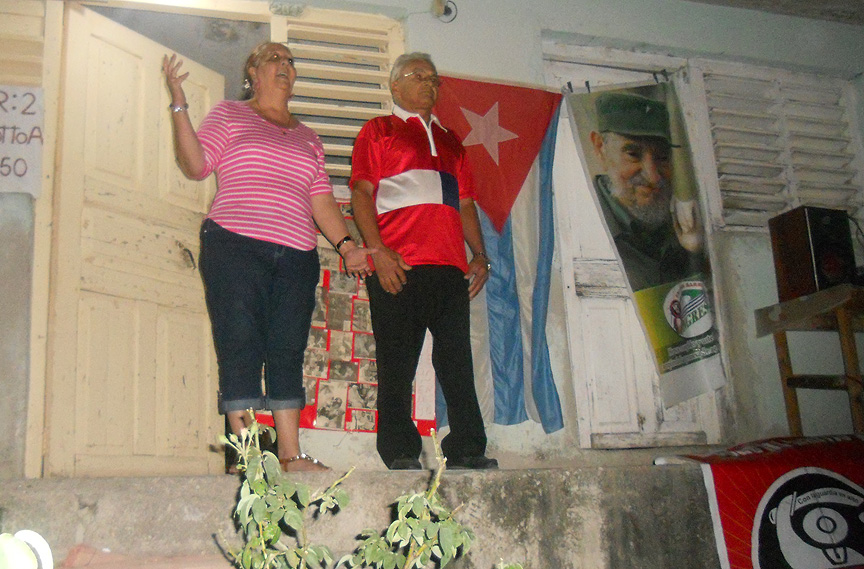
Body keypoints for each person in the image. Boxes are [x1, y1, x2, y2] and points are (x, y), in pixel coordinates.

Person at [162, 42, 372, 472]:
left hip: (296, 255)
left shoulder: (308, 137)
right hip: (235, 245)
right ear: (252, 74)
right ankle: (247, 457)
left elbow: (321, 200)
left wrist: (347, 246)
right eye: (274, 58)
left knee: (286, 351)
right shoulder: (230, 114)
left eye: (290, 60)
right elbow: (196, 165)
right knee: (239, 345)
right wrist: (179, 105)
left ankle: (291, 455)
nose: (285, 65)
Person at [350, 52, 497, 470]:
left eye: (434, 78)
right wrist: (378, 253)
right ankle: (398, 450)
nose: (429, 83)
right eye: (418, 76)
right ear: (395, 86)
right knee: (396, 363)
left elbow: (465, 203)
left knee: (457, 361)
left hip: (450, 269)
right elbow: (362, 194)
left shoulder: (452, 140)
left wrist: (480, 255)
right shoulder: (378, 131)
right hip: (398, 266)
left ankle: (468, 446)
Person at [589, 91, 705, 291]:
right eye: (633, 154)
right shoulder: (581, 227)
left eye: (662, 157)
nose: (653, 177)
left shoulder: (684, 226)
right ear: (600, 147)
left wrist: (697, 253)